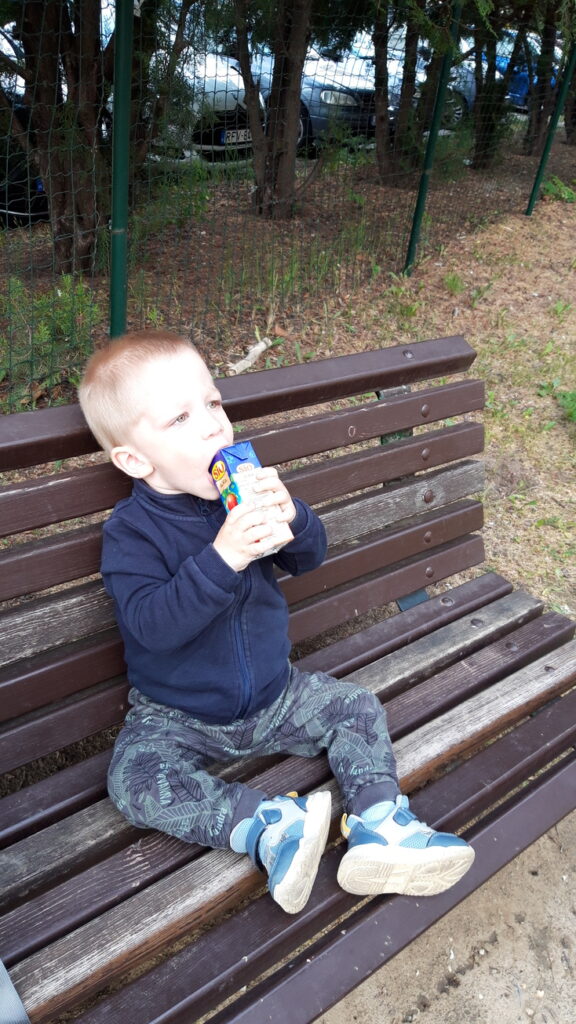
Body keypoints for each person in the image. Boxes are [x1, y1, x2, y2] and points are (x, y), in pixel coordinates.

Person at [78, 329, 475, 915]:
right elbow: (151, 627)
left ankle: (379, 825)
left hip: (277, 694)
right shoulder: (132, 533)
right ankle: (272, 826)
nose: (214, 426)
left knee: (356, 706)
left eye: (213, 403)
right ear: (135, 459)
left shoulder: (241, 495)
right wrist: (223, 558)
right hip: (179, 715)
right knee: (133, 780)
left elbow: (307, 558)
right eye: (181, 418)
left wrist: (296, 518)